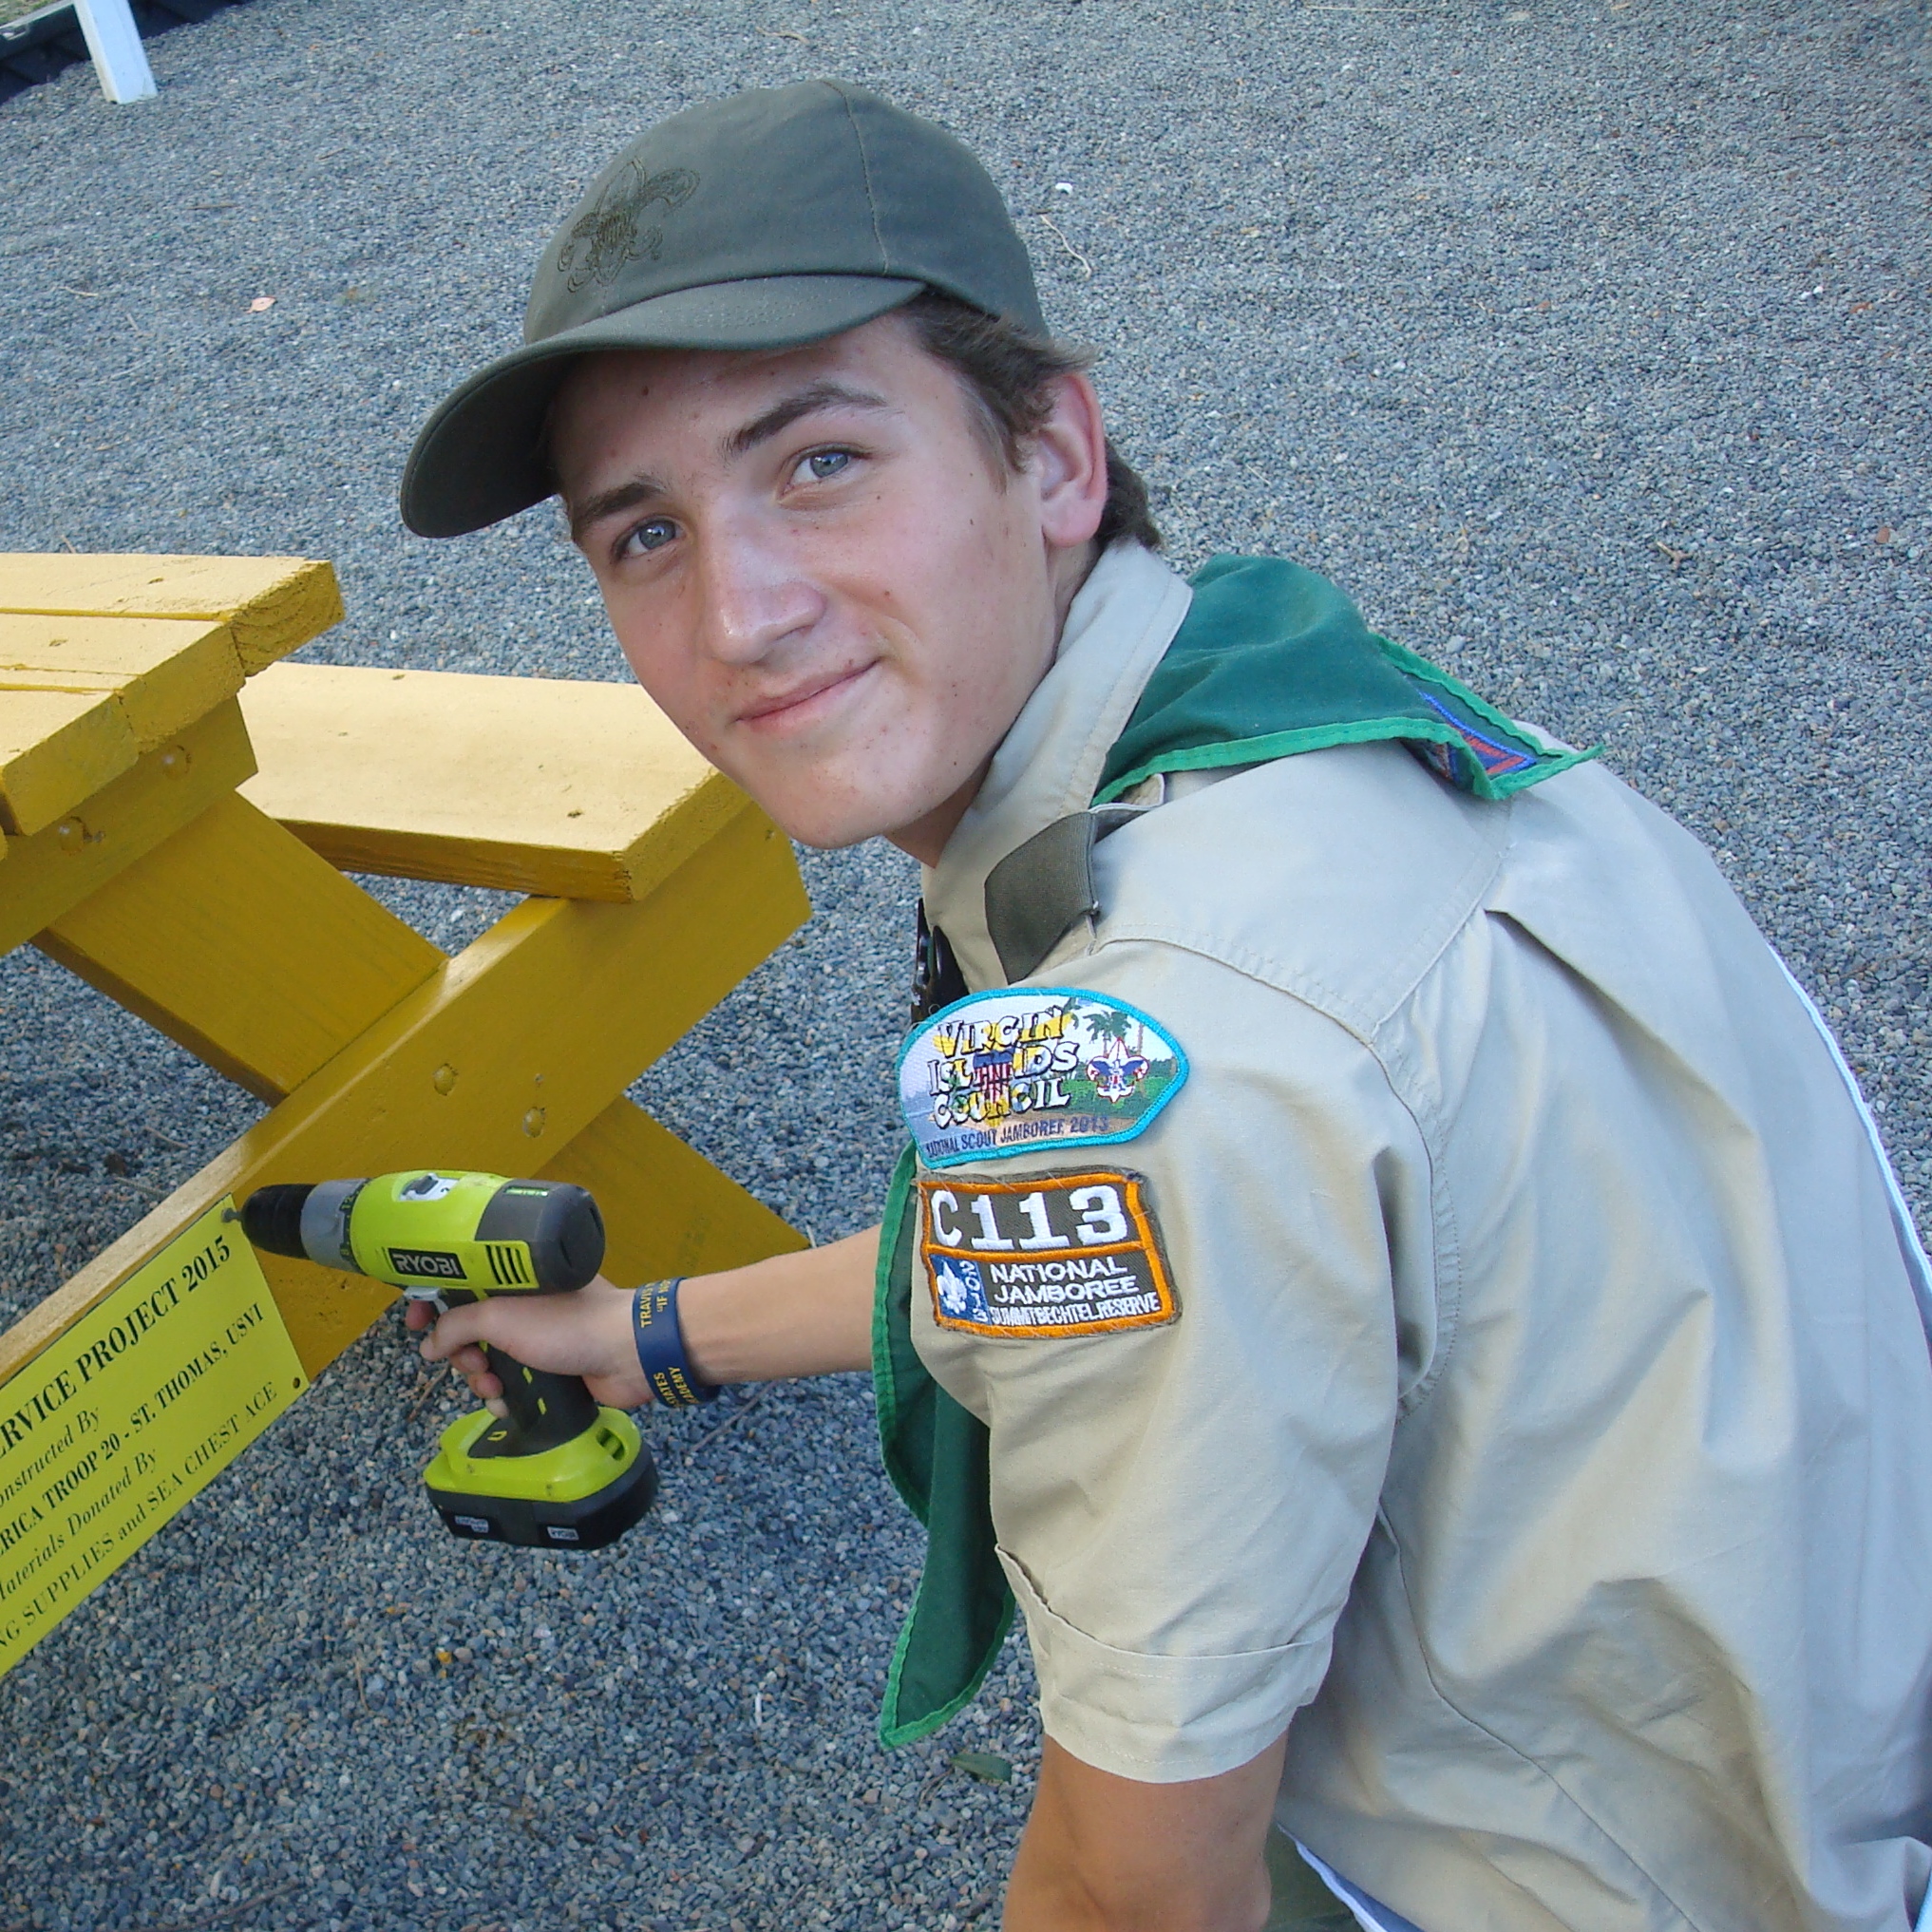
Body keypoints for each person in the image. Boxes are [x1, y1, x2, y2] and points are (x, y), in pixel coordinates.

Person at [397, 80, 1932, 1932]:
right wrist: (647, 1335)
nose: (739, 614)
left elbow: (1142, 1890)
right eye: (643, 534)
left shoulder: (1178, 1060)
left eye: (818, 463)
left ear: (1049, 452)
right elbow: (1099, 1242)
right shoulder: (1292, 717)